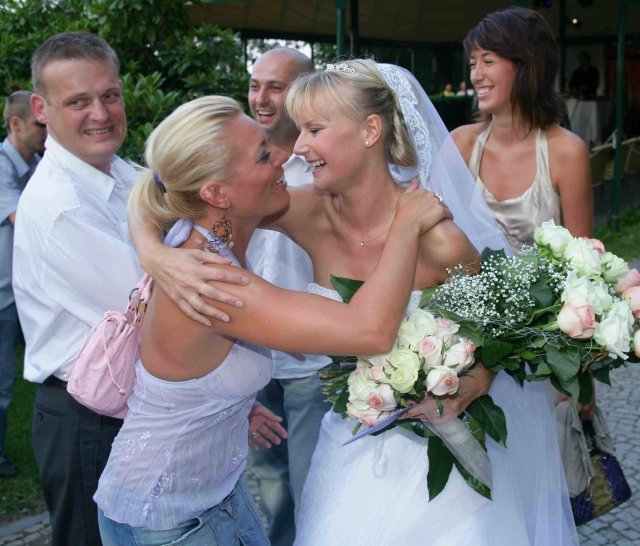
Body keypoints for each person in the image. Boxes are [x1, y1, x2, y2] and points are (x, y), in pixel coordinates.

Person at [131, 59, 578, 545]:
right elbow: (171, 189)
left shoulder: (441, 241)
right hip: (348, 451)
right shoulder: (302, 211)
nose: (297, 147)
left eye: (314, 129)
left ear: (370, 131)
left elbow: (503, 330)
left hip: (442, 468)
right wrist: (154, 254)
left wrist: (481, 375)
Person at [93, 94, 448, 545]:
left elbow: (149, 193)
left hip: (204, 500)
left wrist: (224, 405)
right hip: (167, 519)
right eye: (263, 155)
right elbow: (371, 331)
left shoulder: (197, 240)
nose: (283, 156)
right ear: (216, 193)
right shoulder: (210, 279)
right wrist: (406, 226)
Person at [11, 32, 245, 545]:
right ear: (40, 109)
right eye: (78, 101)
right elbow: (164, 310)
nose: (100, 113)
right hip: (90, 418)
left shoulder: (123, 172)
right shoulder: (60, 206)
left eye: (109, 95)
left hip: (138, 405)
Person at [246, 47, 329, 546]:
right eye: (255, 85)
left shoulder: (322, 164)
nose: (261, 97)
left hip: (309, 359)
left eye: (275, 87)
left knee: (311, 481)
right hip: (249, 354)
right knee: (270, 483)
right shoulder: (236, 159)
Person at [452, 6, 593, 257]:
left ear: (526, 66)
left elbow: (582, 260)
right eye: (473, 64)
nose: (476, 75)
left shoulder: (567, 151)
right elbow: (430, 234)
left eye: (488, 61)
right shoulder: (460, 143)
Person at [0, 90, 46, 477]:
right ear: (16, 124)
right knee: (1, 381)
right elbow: (25, 218)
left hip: (26, 291)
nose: (47, 130)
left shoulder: (40, 164)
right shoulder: (1, 166)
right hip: (1, 296)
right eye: (38, 124)